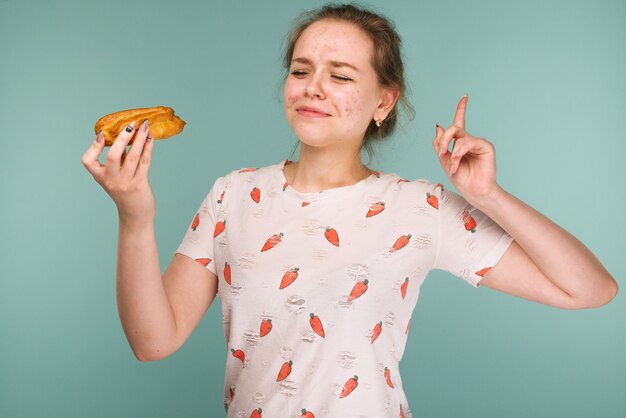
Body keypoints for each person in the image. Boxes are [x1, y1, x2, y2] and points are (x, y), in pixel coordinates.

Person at [81, 4, 617, 417]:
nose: (313, 88)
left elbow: (590, 290)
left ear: (383, 102)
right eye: (300, 70)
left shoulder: (419, 207)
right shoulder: (233, 195)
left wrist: (488, 196)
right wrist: (135, 217)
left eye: (340, 76)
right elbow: (153, 342)